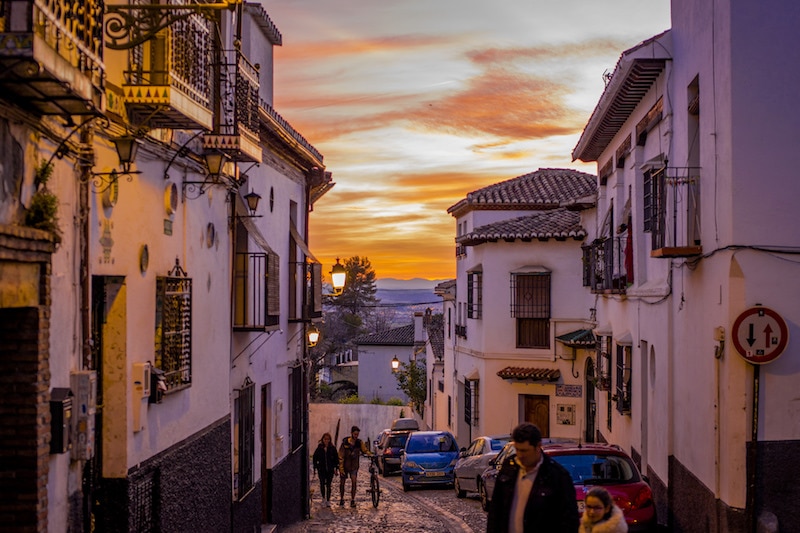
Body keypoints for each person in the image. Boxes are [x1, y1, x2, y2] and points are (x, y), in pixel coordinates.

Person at [486, 422, 579, 533]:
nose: (520, 455)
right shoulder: (509, 467)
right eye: (517, 449)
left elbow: (568, 520)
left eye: (525, 451)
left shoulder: (556, 476)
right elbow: (496, 510)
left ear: (538, 447)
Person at [338, 425, 370, 507]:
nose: (356, 436)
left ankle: (352, 499)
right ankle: (342, 498)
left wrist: (370, 454)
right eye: (355, 434)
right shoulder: (345, 443)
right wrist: (341, 469)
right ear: (351, 433)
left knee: (354, 482)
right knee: (342, 483)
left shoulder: (359, 443)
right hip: (345, 465)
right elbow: (341, 456)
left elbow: (364, 450)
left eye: (357, 434)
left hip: (354, 466)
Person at [312, 432, 339, 507]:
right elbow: (315, 457)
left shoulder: (332, 448)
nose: (326, 440)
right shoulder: (319, 448)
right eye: (325, 439)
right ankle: (323, 498)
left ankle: (328, 500)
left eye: (328, 439)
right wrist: (316, 466)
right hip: (321, 469)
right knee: (322, 484)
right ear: (323, 439)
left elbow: (336, 459)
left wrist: (336, 467)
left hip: (330, 470)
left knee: (329, 485)